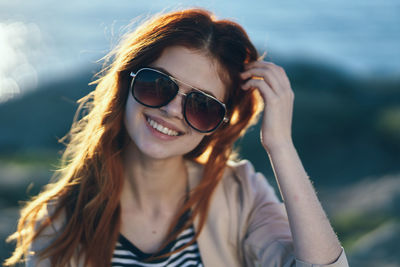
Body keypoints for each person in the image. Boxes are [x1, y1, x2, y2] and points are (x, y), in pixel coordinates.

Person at [5, 8, 349, 267]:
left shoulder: (240, 195)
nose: (171, 109)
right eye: (158, 85)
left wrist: (280, 146)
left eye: (202, 105)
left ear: (218, 123)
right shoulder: (59, 220)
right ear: (127, 82)